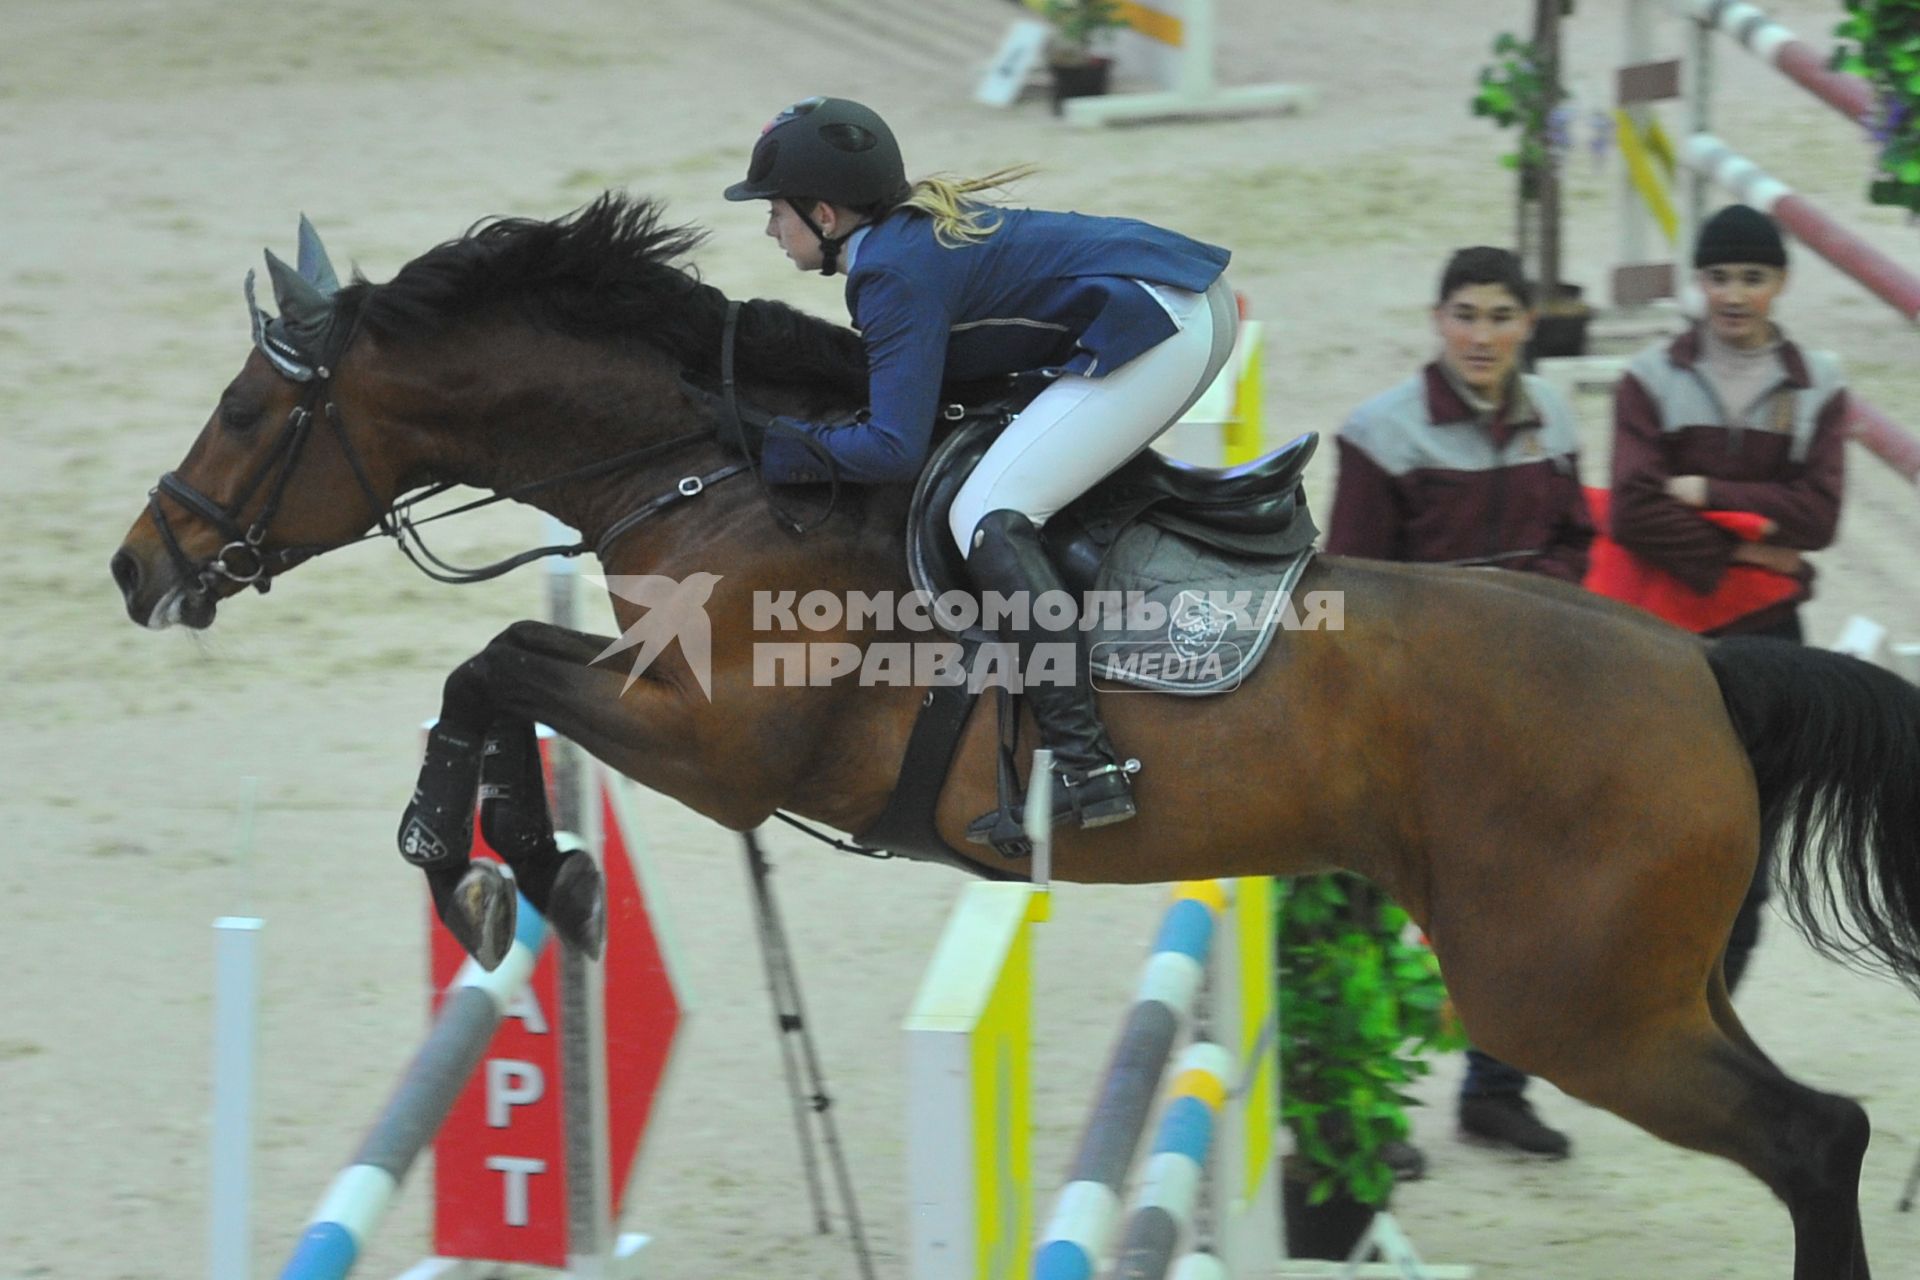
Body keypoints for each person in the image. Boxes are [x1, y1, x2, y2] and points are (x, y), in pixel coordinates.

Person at [722, 96, 1238, 837]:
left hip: (1164, 326)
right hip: (1175, 301)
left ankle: (1084, 762)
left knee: (988, 517)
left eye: (776, 210)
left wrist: (774, 443)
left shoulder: (889, 275)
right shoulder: (898, 246)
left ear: (826, 217)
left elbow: (893, 449)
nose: (770, 226)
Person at [1324, 245, 1586, 1160]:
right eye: (1465, 315)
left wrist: (1517, 616)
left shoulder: (1554, 413)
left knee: (1524, 904)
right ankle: (1365, 1112)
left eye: (1500, 316)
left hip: (1522, 708)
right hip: (1409, 718)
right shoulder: (1380, 432)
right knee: (1379, 909)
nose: (1482, 335)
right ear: (1437, 321)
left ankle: (1495, 1091)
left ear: (1528, 324)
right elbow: (1353, 587)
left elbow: (1574, 544)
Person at [1605, 203, 1847, 991]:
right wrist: (1750, 542)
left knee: (1752, 859)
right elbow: (1638, 510)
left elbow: (1821, 519)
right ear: (1696, 282)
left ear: (1781, 281)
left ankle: (1705, 1023)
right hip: (1667, 641)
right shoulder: (1647, 378)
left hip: (1774, 639)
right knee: (1650, 841)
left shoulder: (1822, 385)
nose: (1734, 294)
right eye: (1718, 277)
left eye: (1752, 277)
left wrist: (1706, 489)